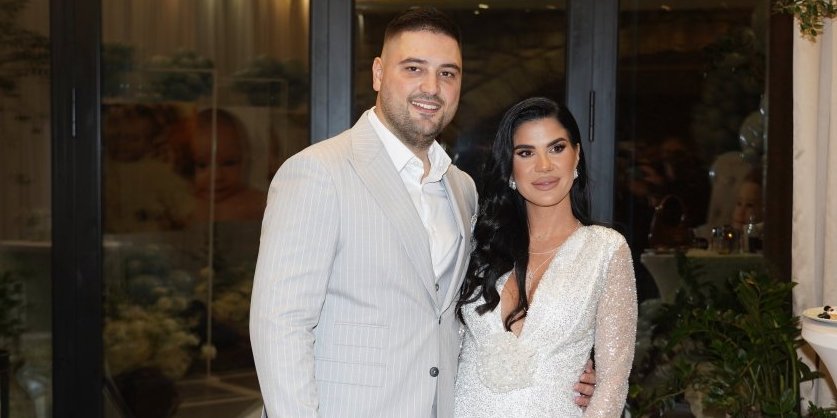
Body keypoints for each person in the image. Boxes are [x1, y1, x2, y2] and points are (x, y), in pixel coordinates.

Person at [249, 8, 596, 418]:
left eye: (447, 73)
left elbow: (455, 321)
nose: (432, 87)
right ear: (378, 73)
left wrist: (557, 369)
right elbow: (280, 323)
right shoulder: (319, 172)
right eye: (414, 68)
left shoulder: (462, 188)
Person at [455, 97, 636, 416]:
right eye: (526, 152)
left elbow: (612, 383)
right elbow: (442, 343)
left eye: (556, 148)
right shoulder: (477, 240)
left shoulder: (606, 250)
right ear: (509, 166)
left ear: (576, 155)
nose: (544, 166)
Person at [187, 108, 267, 223]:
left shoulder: (256, 203)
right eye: (201, 165)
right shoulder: (179, 205)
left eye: (229, 163)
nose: (216, 176)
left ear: (245, 162)